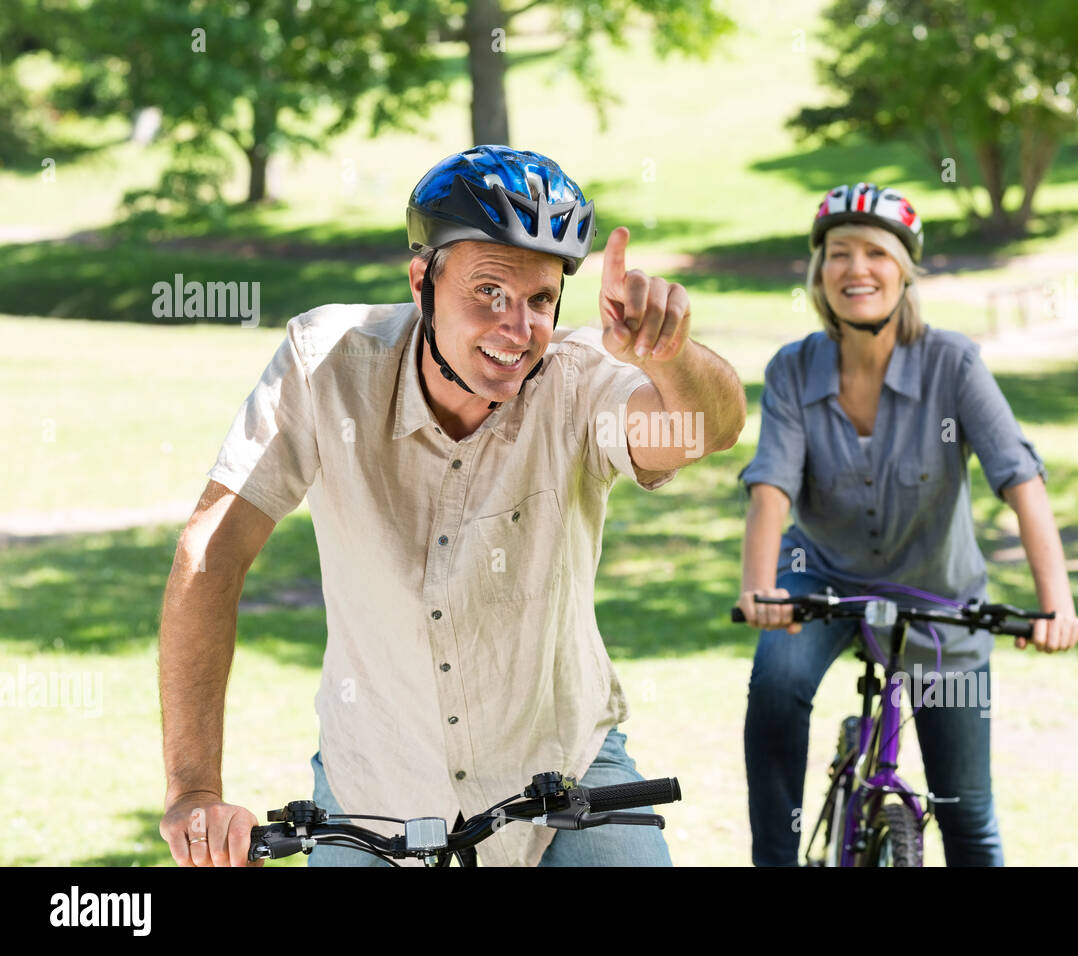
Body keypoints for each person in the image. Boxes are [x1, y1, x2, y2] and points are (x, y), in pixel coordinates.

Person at [157, 145, 746, 867]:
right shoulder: (325, 365)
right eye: (489, 291)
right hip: (374, 784)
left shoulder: (578, 380)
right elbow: (212, 552)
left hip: (563, 771)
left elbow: (706, 431)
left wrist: (669, 355)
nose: (517, 327)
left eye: (538, 300)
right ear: (421, 281)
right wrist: (193, 789)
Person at [736, 181, 1078, 867]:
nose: (855, 268)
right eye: (838, 253)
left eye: (875, 253)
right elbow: (771, 486)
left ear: (904, 272)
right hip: (821, 584)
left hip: (939, 595)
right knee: (775, 687)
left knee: (967, 813)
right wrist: (760, 589)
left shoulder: (952, 363)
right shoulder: (793, 368)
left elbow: (1019, 478)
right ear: (818, 271)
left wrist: (1057, 604)